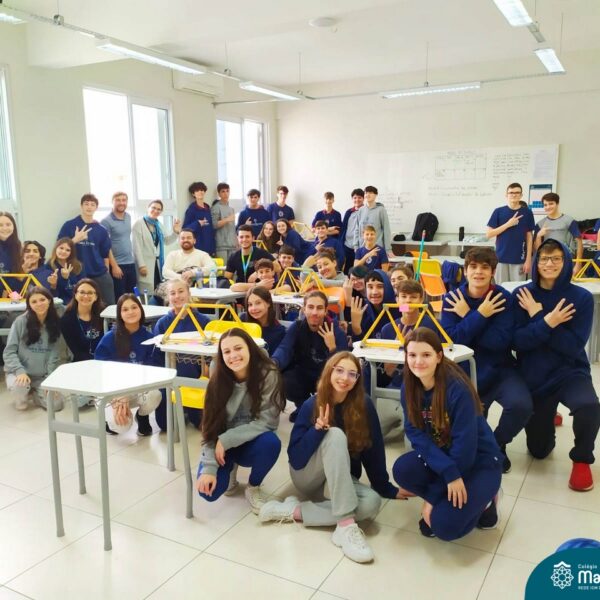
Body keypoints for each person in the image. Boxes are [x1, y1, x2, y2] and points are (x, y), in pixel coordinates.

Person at [259, 352, 402, 564]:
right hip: (308, 475)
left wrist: (385, 486)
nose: (345, 378)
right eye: (340, 371)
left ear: (357, 379)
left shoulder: (364, 405)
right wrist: (317, 431)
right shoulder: (312, 404)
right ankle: (345, 526)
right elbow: (296, 458)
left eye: (352, 374)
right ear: (329, 372)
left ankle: (294, 511)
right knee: (334, 435)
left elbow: (374, 450)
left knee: (371, 503)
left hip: (339, 476)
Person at [393, 328, 503, 540]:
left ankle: (488, 500)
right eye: (412, 355)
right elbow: (414, 432)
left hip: (479, 461)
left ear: (438, 356)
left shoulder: (457, 389)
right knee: (403, 470)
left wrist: (433, 496)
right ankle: (449, 500)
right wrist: (447, 474)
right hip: (446, 456)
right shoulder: (409, 385)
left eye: (426, 355)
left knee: (444, 527)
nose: (418, 362)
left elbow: (465, 449)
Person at [513, 239, 600, 491]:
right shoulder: (522, 295)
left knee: (588, 406)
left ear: (566, 262)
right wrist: (550, 322)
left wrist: (539, 317)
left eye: (556, 258)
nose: (549, 264)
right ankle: (550, 414)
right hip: (535, 375)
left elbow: (573, 346)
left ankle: (582, 459)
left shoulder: (581, 298)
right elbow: (518, 342)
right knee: (539, 451)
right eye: (544, 258)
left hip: (570, 371)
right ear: (536, 262)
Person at [441, 247, 532, 473]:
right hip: (464, 373)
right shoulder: (452, 298)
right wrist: (481, 315)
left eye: (485, 267)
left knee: (521, 405)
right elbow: (453, 341)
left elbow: (499, 342)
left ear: (493, 271)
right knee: (468, 423)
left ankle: (496, 444)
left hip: (501, 369)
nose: (478, 272)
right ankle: (485, 447)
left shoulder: (503, 298)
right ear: (465, 270)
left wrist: (468, 316)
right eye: (473, 266)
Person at [196, 328, 285, 513]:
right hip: (222, 447)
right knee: (208, 493)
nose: (233, 355)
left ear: (250, 348)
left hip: (250, 441)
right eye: (227, 351)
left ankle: (253, 486)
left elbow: (267, 422)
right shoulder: (217, 379)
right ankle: (230, 469)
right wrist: (209, 468)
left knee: (271, 443)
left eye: (238, 348)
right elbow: (209, 426)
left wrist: (226, 440)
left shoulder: (268, 373)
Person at [272, 291, 348, 421]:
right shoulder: (297, 327)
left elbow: (344, 365)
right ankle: (305, 408)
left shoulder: (336, 331)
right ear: (304, 309)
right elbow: (285, 348)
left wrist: (332, 348)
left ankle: (322, 409)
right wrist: (273, 362)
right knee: (284, 378)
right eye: (310, 307)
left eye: (319, 308)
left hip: (326, 377)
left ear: (326, 311)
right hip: (305, 375)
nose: (314, 312)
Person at [94, 294, 162, 436]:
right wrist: (118, 396)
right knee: (122, 427)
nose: (130, 312)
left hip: (136, 388)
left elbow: (152, 373)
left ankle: (142, 416)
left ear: (141, 310)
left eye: (134, 307)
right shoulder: (109, 338)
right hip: (112, 392)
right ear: (119, 314)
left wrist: (127, 393)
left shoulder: (149, 338)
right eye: (125, 309)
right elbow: (101, 373)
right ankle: (110, 423)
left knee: (155, 394)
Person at [153, 279, 211, 431]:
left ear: (188, 293)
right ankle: (181, 408)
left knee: (202, 423)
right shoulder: (162, 323)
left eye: (181, 291)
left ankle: (188, 409)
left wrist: (206, 376)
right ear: (168, 297)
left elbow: (210, 357)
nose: (177, 296)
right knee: (166, 426)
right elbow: (157, 357)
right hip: (170, 379)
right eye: (172, 293)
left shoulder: (203, 320)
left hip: (196, 378)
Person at [3, 286, 64, 411]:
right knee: (20, 389)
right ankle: (22, 395)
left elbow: (55, 354)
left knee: (56, 405)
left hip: (41, 376)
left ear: (49, 301)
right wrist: (20, 371)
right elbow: (9, 351)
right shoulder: (20, 322)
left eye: (42, 300)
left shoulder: (56, 323)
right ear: (29, 305)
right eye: (34, 301)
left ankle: (36, 393)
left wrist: (50, 379)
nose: (39, 304)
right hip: (19, 373)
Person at [58, 193, 114, 304]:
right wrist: (75, 240)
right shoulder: (69, 225)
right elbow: (59, 248)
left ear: (96, 208)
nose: (89, 207)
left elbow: (105, 253)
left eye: (92, 204)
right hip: (76, 274)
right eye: (86, 204)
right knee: (80, 306)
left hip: (99, 273)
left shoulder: (101, 230)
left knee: (108, 305)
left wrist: (107, 271)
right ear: (81, 206)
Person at [59, 278, 106, 408]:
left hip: (104, 361)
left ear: (96, 296)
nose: (86, 296)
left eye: (90, 293)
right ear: (75, 294)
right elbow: (76, 351)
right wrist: (93, 364)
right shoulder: (67, 320)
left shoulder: (104, 315)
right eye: (82, 292)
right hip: (81, 364)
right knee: (80, 402)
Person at [486, 182, 535, 284]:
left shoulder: (527, 212)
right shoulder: (498, 211)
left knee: (517, 289)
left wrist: (528, 260)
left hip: (519, 259)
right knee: (501, 288)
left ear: (521, 195)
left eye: (517, 192)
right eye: (511, 192)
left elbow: (529, 237)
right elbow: (489, 234)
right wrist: (508, 224)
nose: (514, 195)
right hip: (501, 258)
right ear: (506, 195)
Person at [132, 200, 182, 298]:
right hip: (145, 264)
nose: (156, 211)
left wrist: (176, 232)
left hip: (158, 264)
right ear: (148, 208)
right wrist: (141, 265)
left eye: (159, 209)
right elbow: (136, 247)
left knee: (157, 291)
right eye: (153, 208)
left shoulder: (158, 224)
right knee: (145, 293)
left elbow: (167, 241)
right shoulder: (138, 223)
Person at [101, 191, 137, 298]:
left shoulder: (128, 216)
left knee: (132, 296)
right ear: (112, 202)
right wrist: (114, 266)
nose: (121, 203)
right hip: (118, 265)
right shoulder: (106, 221)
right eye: (118, 200)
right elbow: (106, 246)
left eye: (124, 200)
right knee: (120, 298)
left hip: (130, 263)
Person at [534, 192, 583, 261]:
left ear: (557, 204)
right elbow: (537, 249)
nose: (548, 207)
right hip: (548, 261)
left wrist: (578, 262)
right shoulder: (540, 224)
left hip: (565, 259)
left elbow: (579, 241)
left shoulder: (569, 220)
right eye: (545, 205)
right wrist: (538, 236)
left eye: (551, 204)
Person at [241, 286, 286, 355]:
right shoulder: (242, 320)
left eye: (258, 303)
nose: (253, 308)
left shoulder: (278, 331)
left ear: (268, 303)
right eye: (250, 304)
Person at [46, 238, 83, 304]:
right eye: (61, 248)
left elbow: (82, 288)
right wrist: (64, 279)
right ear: (56, 248)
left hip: (77, 301)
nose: (63, 252)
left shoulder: (78, 266)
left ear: (71, 253)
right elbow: (53, 295)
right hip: (59, 303)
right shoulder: (48, 266)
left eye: (68, 250)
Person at [183, 181, 216, 256]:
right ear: (193, 194)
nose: (200, 192)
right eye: (197, 191)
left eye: (202, 190)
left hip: (210, 248)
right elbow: (185, 229)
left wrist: (213, 248)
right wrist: (198, 223)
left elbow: (211, 229)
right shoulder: (191, 210)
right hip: (197, 248)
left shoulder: (208, 208)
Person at [357, 186, 392, 255]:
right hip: (363, 248)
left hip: (377, 248)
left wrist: (388, 249)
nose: (367, 195)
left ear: (376, 195)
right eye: (366, 193)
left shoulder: (381, 210)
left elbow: (386, 230)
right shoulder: (361, 210)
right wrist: (356, 246)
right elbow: (357, 229)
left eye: (370, 193)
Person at [210, 182, 237, 263]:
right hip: (221, 246)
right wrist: (227, 219)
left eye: (227, 191)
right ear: (219, 194)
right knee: (223, 268)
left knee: (233, 268)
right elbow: (214, 225)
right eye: (223, 191)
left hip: (232, 245)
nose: (226, 194)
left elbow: (232, 228)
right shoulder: (216, 207)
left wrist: (236, 241)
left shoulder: (231, 209)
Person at [340, 188, 364, 275]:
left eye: (359, 197)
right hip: (348, 245)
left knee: (359, 268)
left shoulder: (366, 211)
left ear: (363, 198)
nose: (357, 200)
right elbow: (343, 228)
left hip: (360, 245)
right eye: (355, 198)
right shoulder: (349, 212)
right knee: (348, 268)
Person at [0, 211, 22, 294]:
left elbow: (16, 275)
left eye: (8, 224)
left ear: (13, 227)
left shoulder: (18, 246)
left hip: (12, 293)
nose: (5, 228)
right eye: (0, 225)